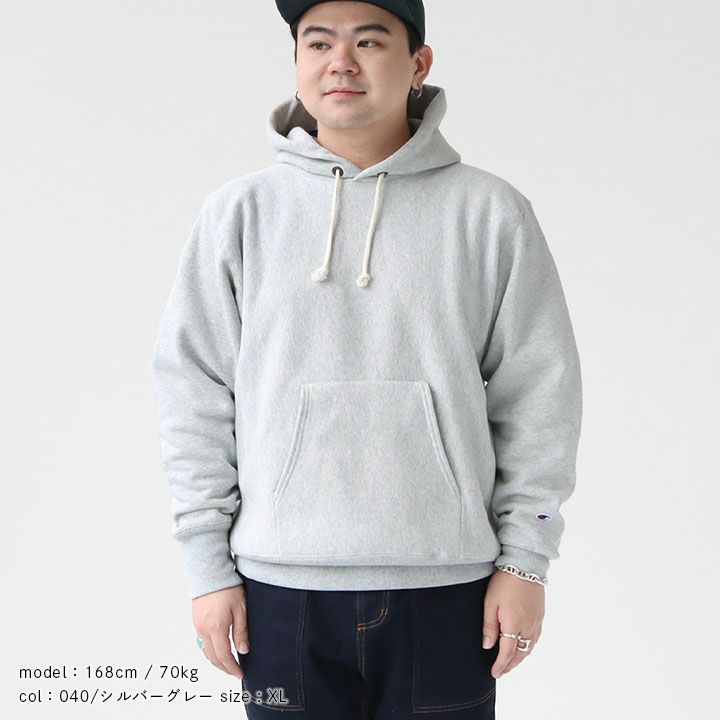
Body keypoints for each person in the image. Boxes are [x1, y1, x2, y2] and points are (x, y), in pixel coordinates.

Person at [150, 1, 583, 717]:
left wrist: (525, 562)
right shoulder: (239, 214)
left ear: (418, 64)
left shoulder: (490, 212)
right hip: (275, 592)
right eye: (318, 43)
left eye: (369, 42)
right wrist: (206, 567)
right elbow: (192, 393)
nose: (340, 63)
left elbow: (541, 396)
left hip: (449, 589)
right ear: (297, 61)